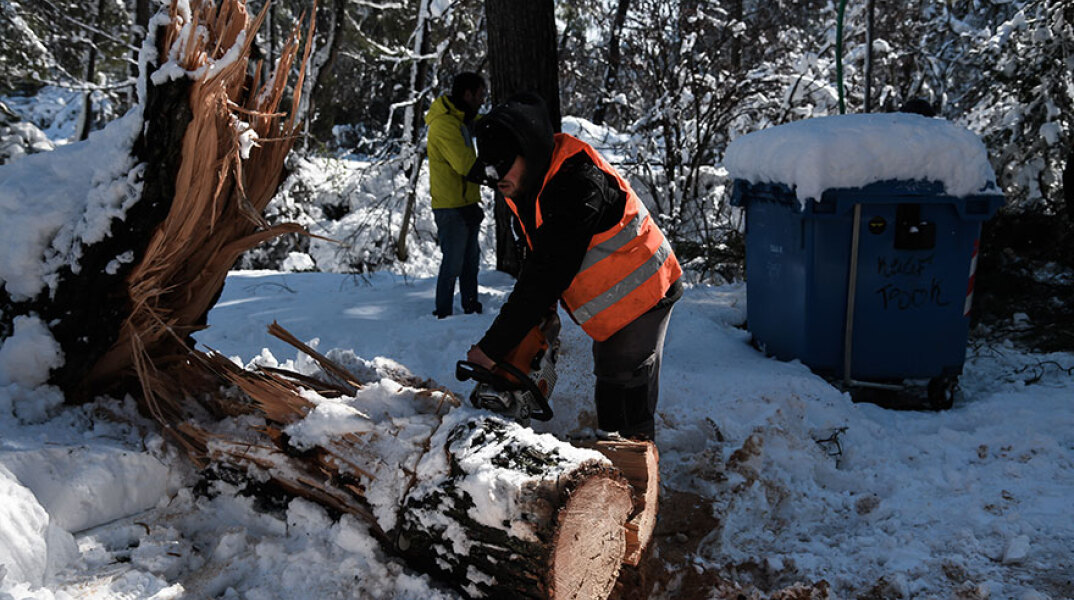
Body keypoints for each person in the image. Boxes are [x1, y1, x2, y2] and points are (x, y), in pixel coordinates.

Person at [464, 93, 683, 441]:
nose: (495, 179)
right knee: (610, 378)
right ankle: (617, 450)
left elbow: (548, 271)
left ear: (528, 151)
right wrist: (541, 315)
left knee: (624, 382)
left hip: (645, 287)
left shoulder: (577, 184)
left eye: (502, 167)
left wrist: (491, 349)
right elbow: (538, 254)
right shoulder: (525, 182)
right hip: (613, 294)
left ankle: (637, 471)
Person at [425, 72, 487, 318]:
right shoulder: (444, 125)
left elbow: (479, 122)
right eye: (480, 95)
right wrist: (494, 172)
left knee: (471, 264)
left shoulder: (460, 119)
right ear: (467, 94)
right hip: (451, 207)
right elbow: (465, 165)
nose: (482, 100)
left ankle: (471, 308)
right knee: (453, 264)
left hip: (467, 202)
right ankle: (443, 313)